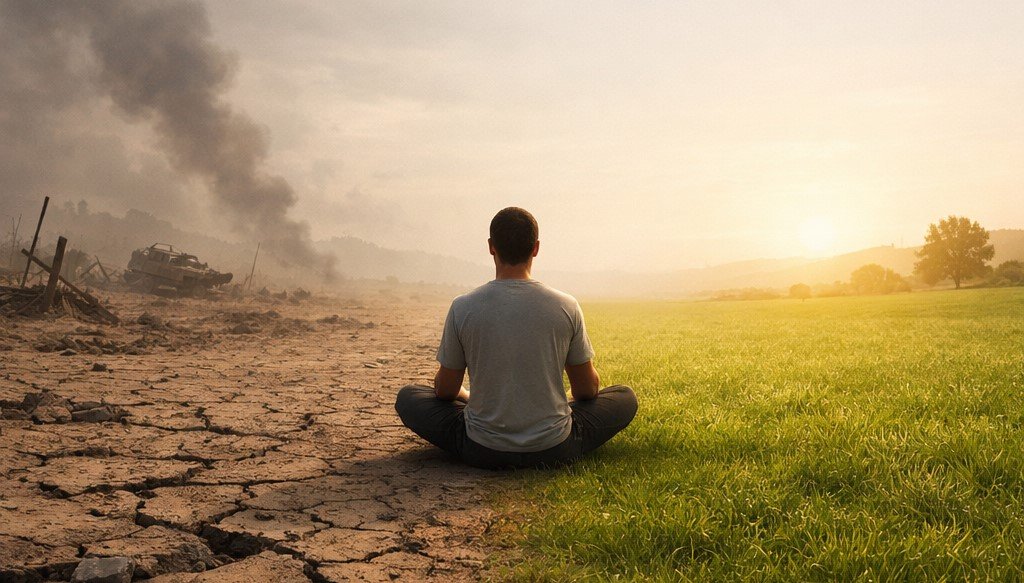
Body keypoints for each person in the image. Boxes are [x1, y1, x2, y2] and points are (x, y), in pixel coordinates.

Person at [395, 207, 638, 469]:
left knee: (409, 397)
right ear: (536, 248)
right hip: (555, 447)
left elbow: (445, 391)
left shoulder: (463, 306)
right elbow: (587, 390)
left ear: (491, 247)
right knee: (625, 397)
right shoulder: (566, 306)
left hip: (480, 448)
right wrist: (556, 399)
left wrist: (469, 397)